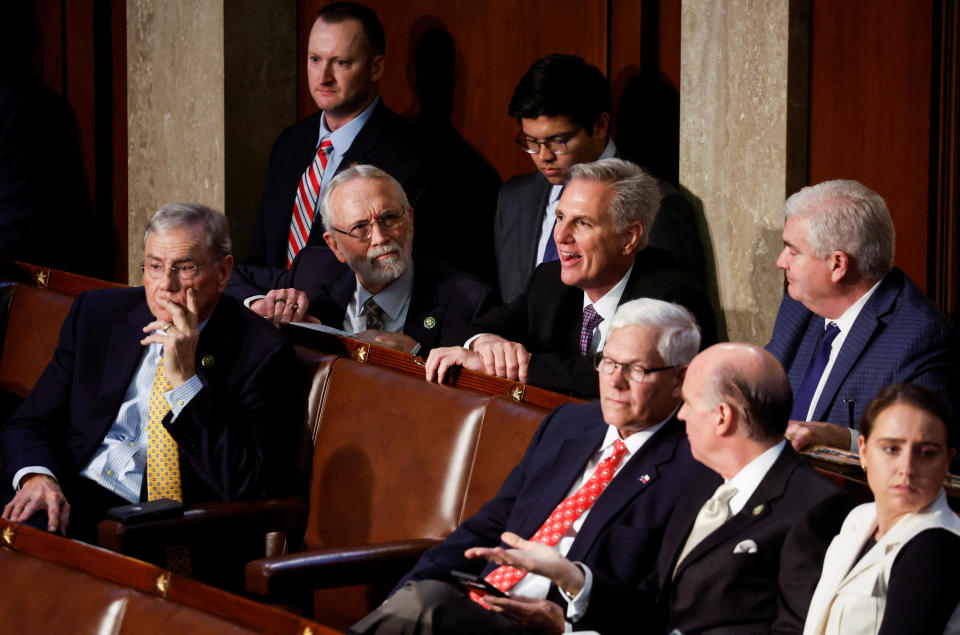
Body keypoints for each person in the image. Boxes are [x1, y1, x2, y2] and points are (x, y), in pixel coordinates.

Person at [350, 299, 712, 634]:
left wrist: (571, 610)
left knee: (425, 606)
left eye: (636, 370)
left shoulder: (696, 471)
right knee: (417, 600)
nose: (614, 382)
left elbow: (661, 605)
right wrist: (400, 596)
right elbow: (490, 525)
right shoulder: (570, 424)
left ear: (679, 380)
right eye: (609, 362)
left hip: (558, 625)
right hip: (483, 601)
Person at [467, 343, 852, 634]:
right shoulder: (701, 483)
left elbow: (793, 628)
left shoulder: (813, 506)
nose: (680, 415)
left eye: (687, 403)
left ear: (723, 417)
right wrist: (574, 583)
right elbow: (654, 603)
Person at [0, 202, 296, 544]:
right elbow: (29, 422)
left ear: (223, 272)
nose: (165, 285)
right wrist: (37, 478)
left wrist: (186, 380)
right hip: (71, 487)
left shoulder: (261, 353)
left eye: (184, 267)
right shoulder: (98, 315)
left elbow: (246, 484)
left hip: (158, 521)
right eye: (155, 266)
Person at [425, 158, 715, 398]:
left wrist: (515, 367)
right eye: (560, 218)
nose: (561, 237)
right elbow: (472, 327)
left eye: (582, 223)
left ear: (629, 237)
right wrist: (485, 343)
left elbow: (610, 374)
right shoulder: (549, 281)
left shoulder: (671, 298)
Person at [765, 179, 960, 454]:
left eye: (793, 251)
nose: (780, 261)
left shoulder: (920, 339)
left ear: (837, 265)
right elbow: (759, 388)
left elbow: (935, 455)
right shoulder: (799, 307)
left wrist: (845, 439)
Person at [496, 54, 702, 303]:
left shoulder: (657, 205)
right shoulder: (514, 199)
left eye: (558, 141)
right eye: (531, 142)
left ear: (600, 125)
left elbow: (673, 310)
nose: (543, 156)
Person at [228, 165, 495, 354]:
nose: (379, 238)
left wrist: (417, 352)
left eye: (389, 218)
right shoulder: (312, 271)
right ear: (335, 246)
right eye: (360, 228)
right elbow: (229, 277)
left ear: (410, 221)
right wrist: (264, 305)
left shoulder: (467, 300)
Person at [247, 2, 428, 269]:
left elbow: (404, 272)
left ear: (375, 68)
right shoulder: (289, 143)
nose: (323, 77)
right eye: (315, 59)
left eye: (340, 62)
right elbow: (260, 257)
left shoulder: (410, 159)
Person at [803, 383, 960, 635]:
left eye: (927, 453)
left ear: (947, 462)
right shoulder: (859, 519)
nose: (906, 468)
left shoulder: (938, 544)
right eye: (891, 449)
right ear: (863, 451)